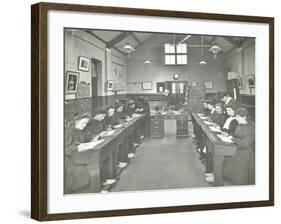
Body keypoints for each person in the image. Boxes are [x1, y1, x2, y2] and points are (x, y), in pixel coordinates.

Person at [223, 107, 255, 185]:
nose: (236, 119)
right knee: (225, 156)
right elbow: (236, 135)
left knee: (228, 158)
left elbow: (245, 144)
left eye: (238, 117)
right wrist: (228, 135)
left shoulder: (251, 127)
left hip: (245, 153)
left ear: (244, 117)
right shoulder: (239, 125)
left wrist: (233, 139)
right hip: (238, 148)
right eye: (236, 117)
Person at [64, 112, 91, 193]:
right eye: (83, 123)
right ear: (76, 122)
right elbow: (64, 149)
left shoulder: (79, 130)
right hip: (70, 160)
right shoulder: (69, 131)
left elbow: (83, 139)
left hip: (79, 157)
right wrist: (76, 147)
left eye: (86, 123)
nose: (85, 125)